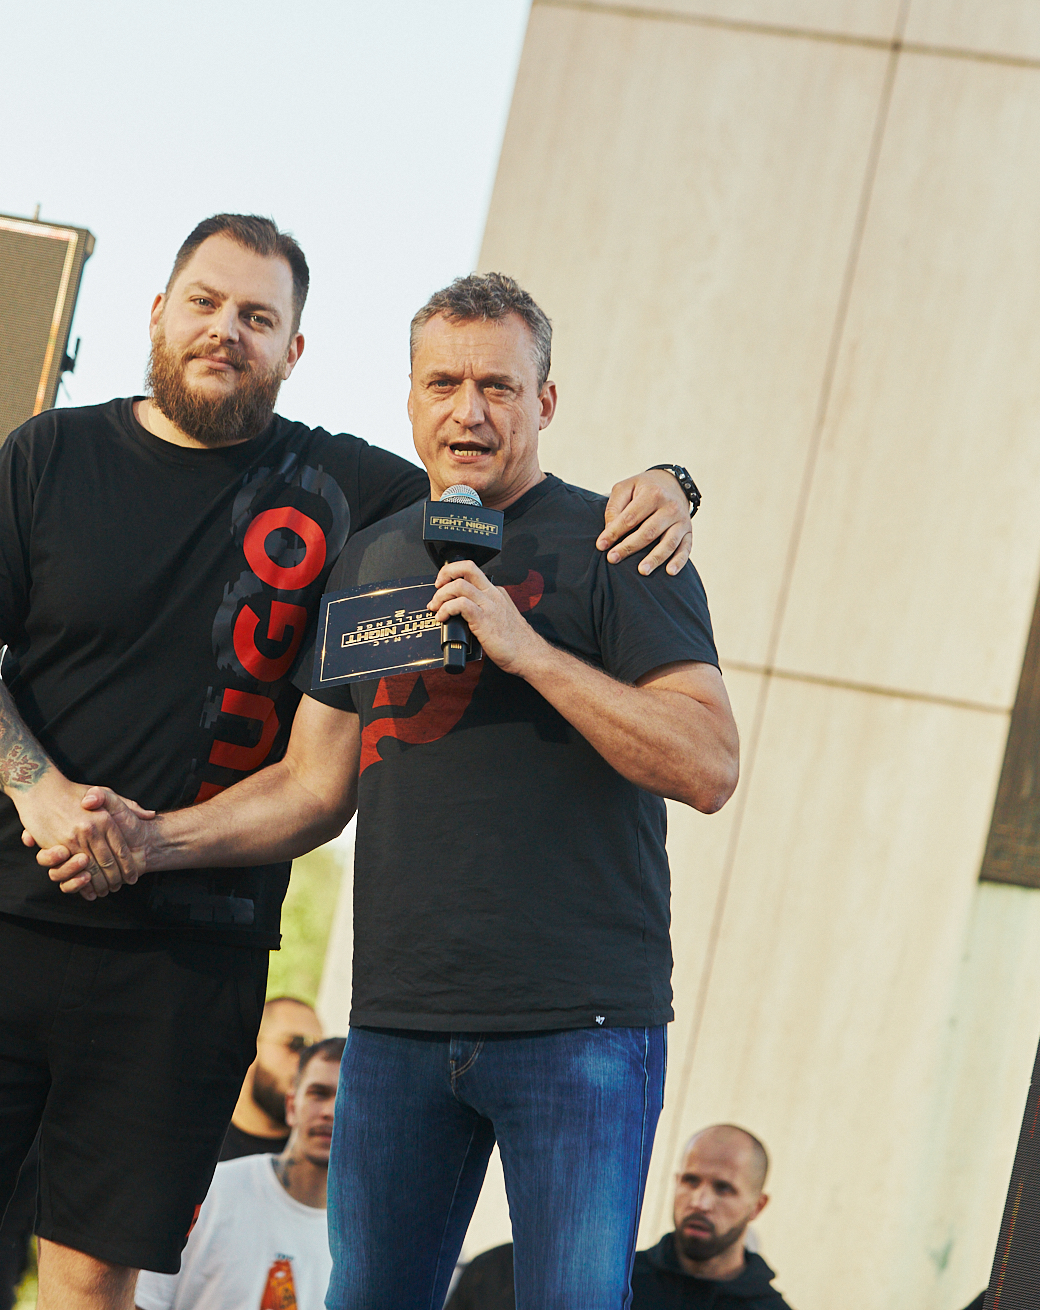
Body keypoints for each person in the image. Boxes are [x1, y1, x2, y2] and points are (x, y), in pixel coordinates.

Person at [0, 213, 699, 1310]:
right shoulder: (54, 453)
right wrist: (42, 795)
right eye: (204, 303)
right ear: (159, 312)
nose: (224, 331)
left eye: (257, 316)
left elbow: (501, 475)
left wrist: (672, 480)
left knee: (91, 1280)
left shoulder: (363, 497)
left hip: (194, 956)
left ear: (294, 348)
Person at [44, 271, 739, 1310]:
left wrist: (528, 652)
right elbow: (311, 787)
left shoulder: (620, 543)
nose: (469, 412)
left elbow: (708, 762)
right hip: (397, 1025)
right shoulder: (370, 558)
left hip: (582, 1026)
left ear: (545, 402)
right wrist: (153, 840)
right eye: (443, 384)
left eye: (499, 387)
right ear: (409, 398)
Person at [137, 1037, 343, 1310]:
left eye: (347, 1098)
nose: (330, 1111)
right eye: (318, 1093)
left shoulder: (367, 1238)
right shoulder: (209, 1192)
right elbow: (143, 1301)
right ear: (292, 1105)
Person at [628, 1125, 791, 1309]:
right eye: (691, 1181)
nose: (700, 1203)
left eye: (723, 1188)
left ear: (757, 1206)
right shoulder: (619, 1284)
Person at [222, 996, 323, 1160]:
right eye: (296, 1044)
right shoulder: (196, 1137)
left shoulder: (324, 1159)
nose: (308, 1062)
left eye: (316, 1051)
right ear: (248, 1047)